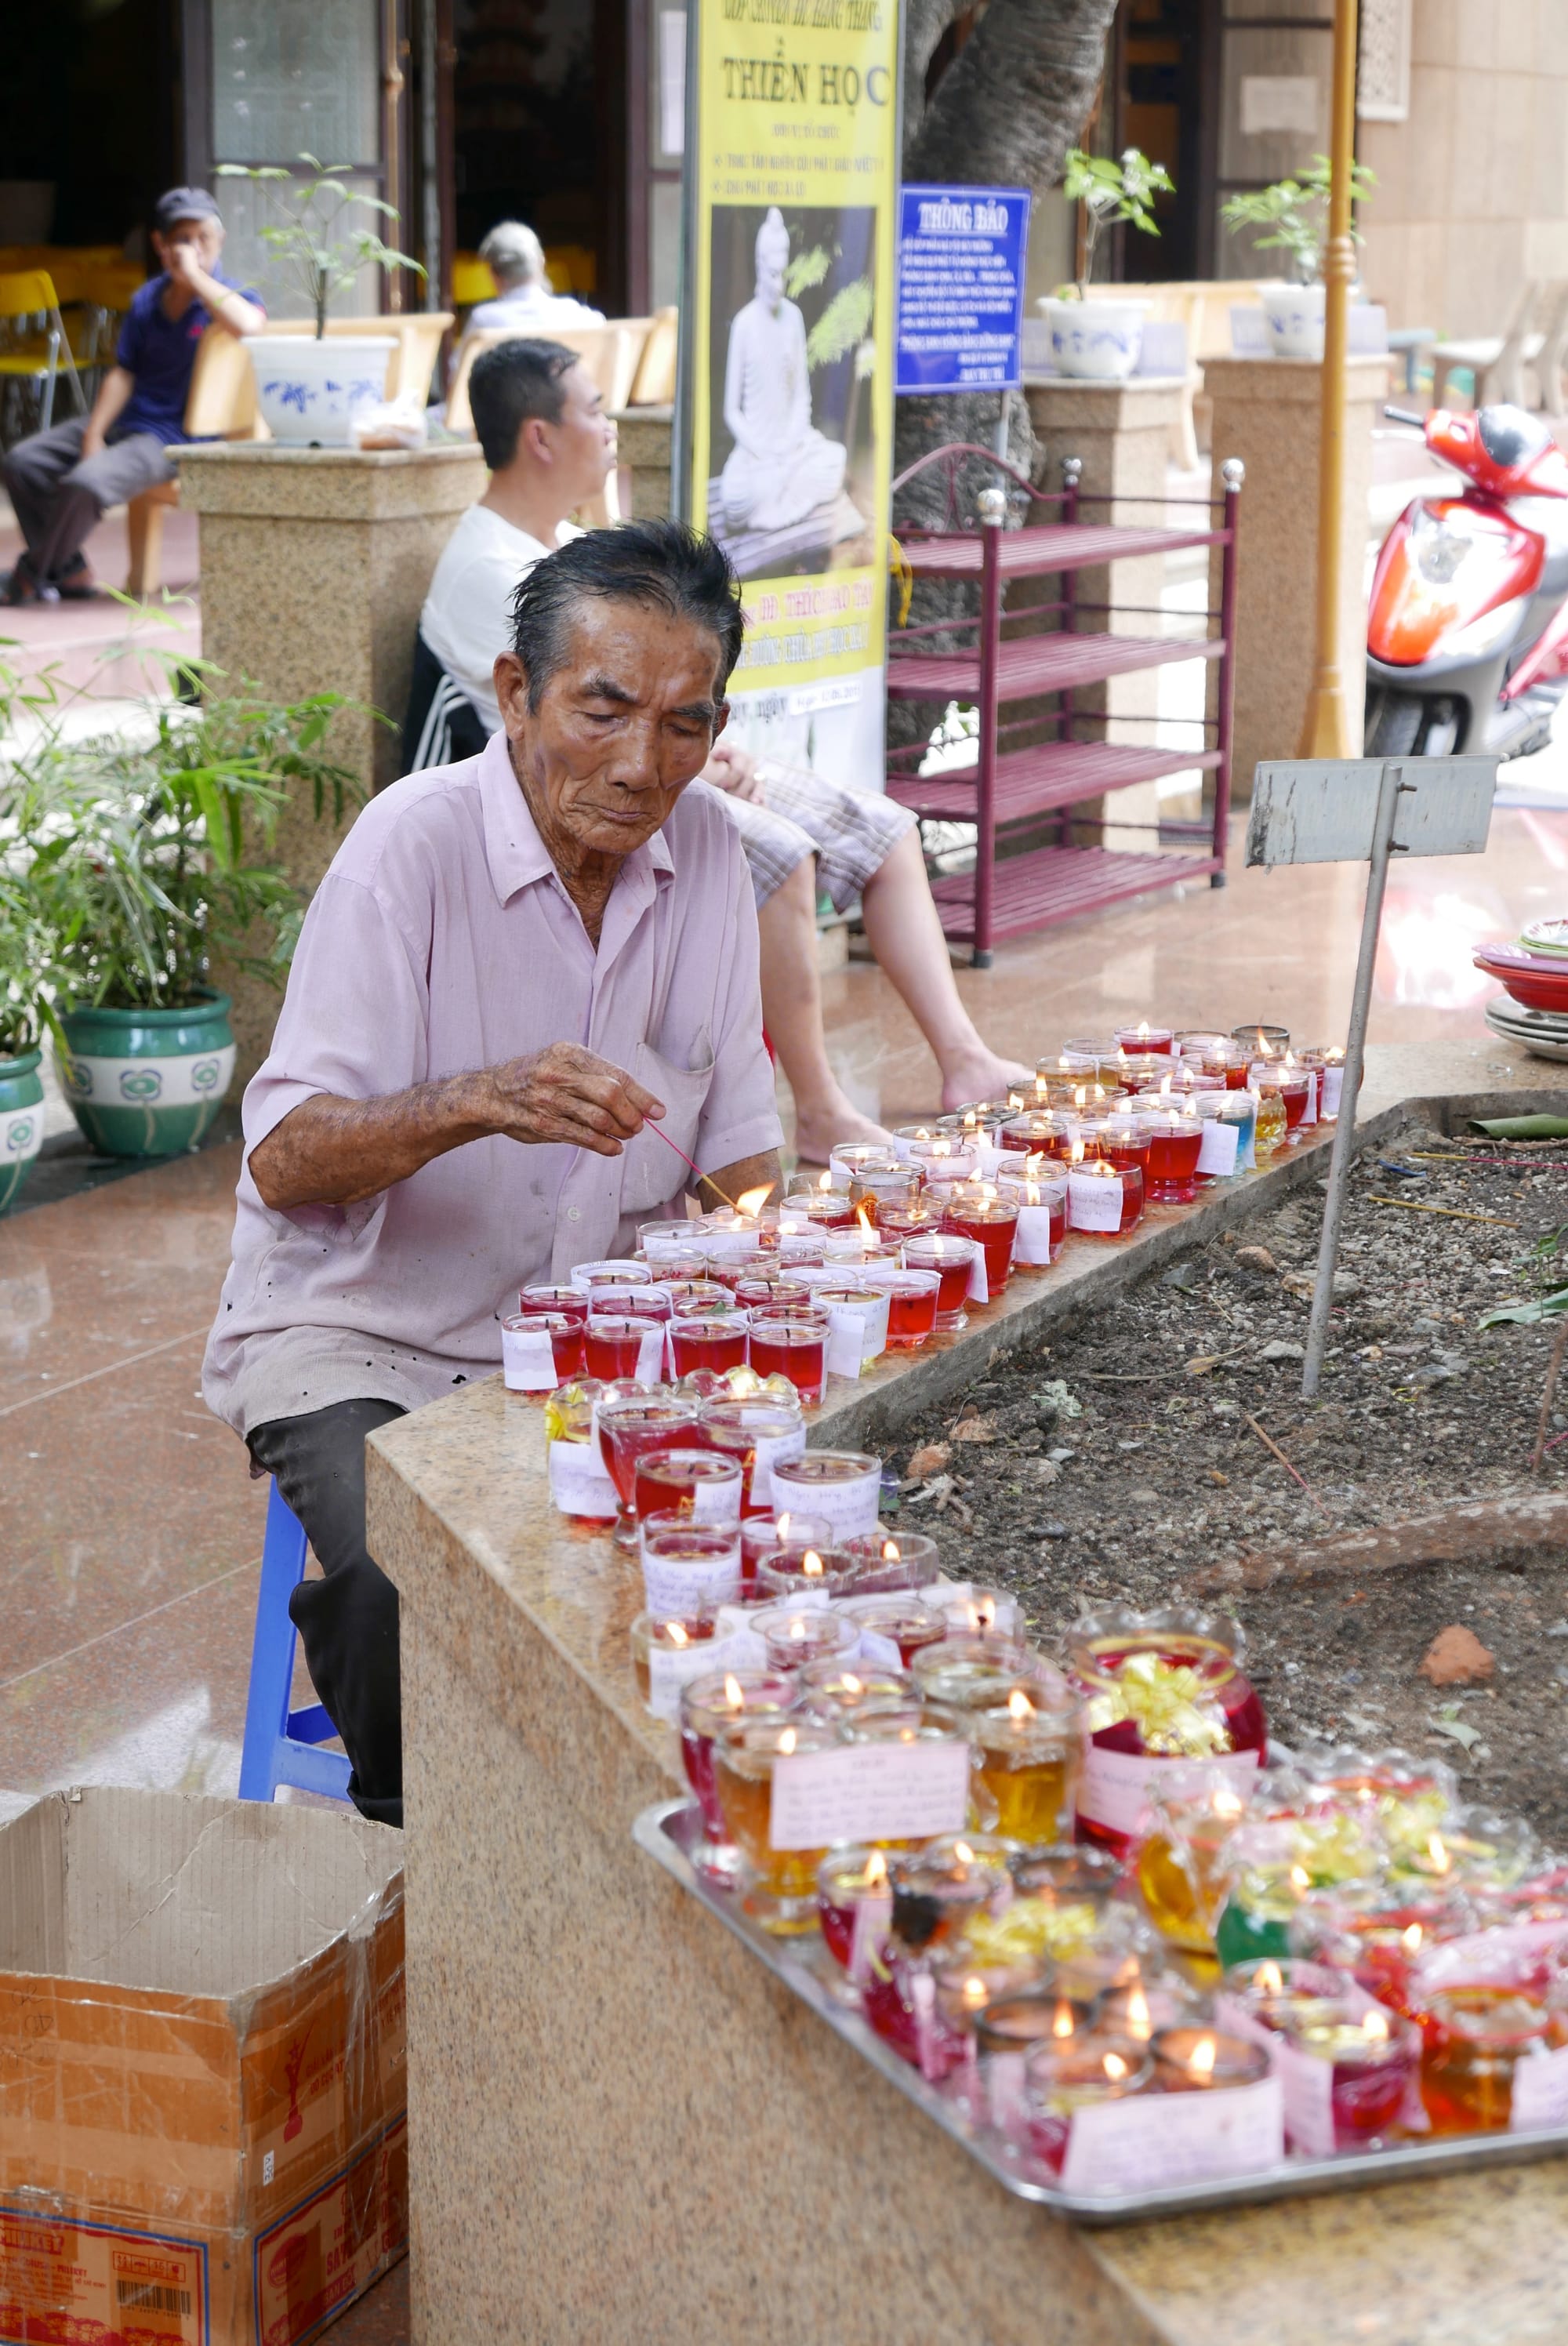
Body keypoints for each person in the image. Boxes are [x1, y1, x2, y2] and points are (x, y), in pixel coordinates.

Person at [204, 519, 781, 1826]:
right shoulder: (411, 850)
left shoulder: (709, 866)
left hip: (598, 1340)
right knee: (394, 1568)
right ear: (514, 693)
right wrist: (482, 1097)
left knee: (784, 1507)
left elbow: (744, 1152)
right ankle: (458, 1867)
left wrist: (767, 1271)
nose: (643, 767)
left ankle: (643, 1824)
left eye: (687, 724)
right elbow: (289, 1159)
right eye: (604, 709)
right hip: (366, 1332)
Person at [408, 336, 1032, 1153]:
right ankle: (816, 1105)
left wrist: (708, 752)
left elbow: (652, 697)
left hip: (673, 762)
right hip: (571, 794)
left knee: (885, 830)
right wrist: (690, 766)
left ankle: (964, 1057)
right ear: (540, 436)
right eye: (595, 409)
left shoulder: (561, 538)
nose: (610, 427)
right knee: (777, 852)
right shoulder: (490, 569)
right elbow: (589, 733)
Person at [1, 188, 263, 605]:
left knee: (86, 483)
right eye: (182, 239)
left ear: (220, 240)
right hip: (129, 421)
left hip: (174, 438)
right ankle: (68, 569)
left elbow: (250, 326)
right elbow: (123, 374)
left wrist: (195, 279)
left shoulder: (230, 295)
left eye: (203, 239)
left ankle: (31, 574)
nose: (193, 249)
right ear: (160, 245)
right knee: (22, 462)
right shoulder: (147, 299)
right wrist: (93, 436)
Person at [719, 207, 845, 535]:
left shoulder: (794, 318)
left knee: (835, 459)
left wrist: (789, 442)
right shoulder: (745, 324)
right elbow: (731, 411)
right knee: (734, 499)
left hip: (791, 445)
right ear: (759, 268)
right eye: (771, 273)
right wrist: (762, 450)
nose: (778, 282)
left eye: (783, 273)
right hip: (756, 450)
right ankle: (779, 497)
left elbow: (802, 395)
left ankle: (781, 500)